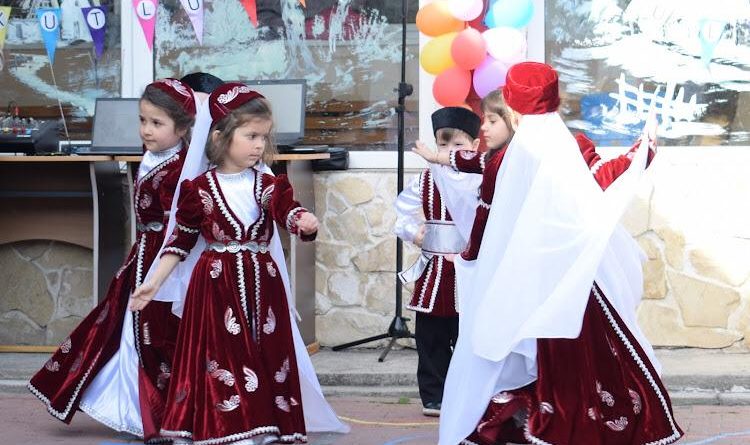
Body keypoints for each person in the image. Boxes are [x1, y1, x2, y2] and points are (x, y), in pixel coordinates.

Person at [417, 62, 682, 445]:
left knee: (534, 355)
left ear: (514, 111)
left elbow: (485, 211)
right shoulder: (559, 149)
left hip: (534, 281)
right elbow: (601, 178)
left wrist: (473, 258)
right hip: (569, 282)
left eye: (493, 118)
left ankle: (547, 421)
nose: (486, 127)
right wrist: (642, 152)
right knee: (580, 357)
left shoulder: (514, 158)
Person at [129, 82, 348, 444]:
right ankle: (233, 426)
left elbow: (285, 210)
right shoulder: (198, 190)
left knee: (266, 352)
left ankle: (269, 424)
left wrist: (302, 221)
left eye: (264, 137)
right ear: (220, 137)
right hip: (215, 287)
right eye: (251, 136)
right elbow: (179, 241)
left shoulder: (268, 184)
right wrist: (154, 282)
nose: (260, 145)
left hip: (263, 286)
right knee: (226, 357)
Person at [28, 78, 197, 442]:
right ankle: (135, 410)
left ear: (183, 128)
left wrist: (161, 271)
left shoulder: (181, 170)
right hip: (143, 253)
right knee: (123, 330)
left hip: (164, 261)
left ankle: (164, 414)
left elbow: (181, 226)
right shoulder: (152, 155)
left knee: (154, 335)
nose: (146, 130)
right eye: (143, 120)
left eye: (157, 123)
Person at [395, 106, 484, 417]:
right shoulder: (425, 180)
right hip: (434, 271)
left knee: (466, 334)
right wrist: (413, 232)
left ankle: (467, 393)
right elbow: (401, 214)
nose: (448, 151)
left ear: (474, 146)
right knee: (430, 335)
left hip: (468, 270)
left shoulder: (481, 180)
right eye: (443, 145)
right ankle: (434, 396)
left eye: (458, 145)